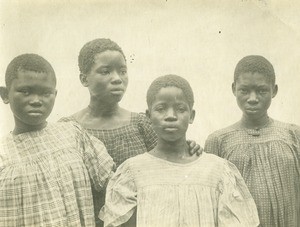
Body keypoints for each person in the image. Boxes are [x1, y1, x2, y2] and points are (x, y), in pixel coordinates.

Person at [60, 38, 202, 226]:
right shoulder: (68, 129)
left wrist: (189, 148)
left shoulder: (141, 124)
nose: (117, 78)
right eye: (105, 71)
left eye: (123, 71)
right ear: (84, 79)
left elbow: (167, 161)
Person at [100, 74, 259, 227]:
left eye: (180, 108)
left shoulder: (218, 171)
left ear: (191, 116)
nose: (170, 116)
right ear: (148, 116)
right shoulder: (133, 172)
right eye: (161, 108)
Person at [0, 53, 115, 226]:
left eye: (46, 93)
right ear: (5, 95)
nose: (36, 101)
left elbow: (114, 184)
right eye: (25, 91)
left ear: (55, 94)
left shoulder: (72, 134)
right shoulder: (3, 155)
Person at [204, 55, 300, 227]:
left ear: (274, 90)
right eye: (244, 90)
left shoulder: (294, 135)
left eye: (262, 90)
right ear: (234, 89)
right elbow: (210, 200)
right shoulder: (218, 141)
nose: (253, 98)